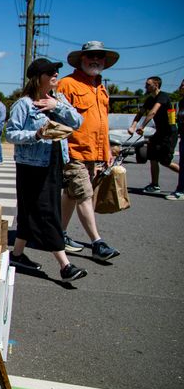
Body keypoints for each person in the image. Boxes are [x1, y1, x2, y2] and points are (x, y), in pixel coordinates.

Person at [6, 58, 87, 282]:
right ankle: (65, 265)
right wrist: (36, 135)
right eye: (50, 72)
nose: (55, 75)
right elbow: (11, 134)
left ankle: (17, 255)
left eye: (56, 71)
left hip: (54, 162)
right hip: (31, 165)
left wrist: (57, 106)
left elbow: (78, 121)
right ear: (38, 77)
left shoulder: (57, 99)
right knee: (48, 211)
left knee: (30, 210)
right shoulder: (24, 104)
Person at [56, 41, 120, 260]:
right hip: (73, 151)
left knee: (72, 195)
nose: (95, 60)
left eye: (99, 57)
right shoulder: (68, 84)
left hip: (94, 153)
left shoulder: (100, 87)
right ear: (81, 59)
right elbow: (58, 118)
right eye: (90, 56)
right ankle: (97, 242)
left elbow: (103, 122)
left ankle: (60, 234)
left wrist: (107, 151)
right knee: (84, 194)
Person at [129, 76, 180, 193]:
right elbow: (140, 113)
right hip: (159, 133)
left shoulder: (163, 96)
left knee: (165, 161)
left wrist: (142, 127)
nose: (145, 86)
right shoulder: (149, 99)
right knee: (152, 157)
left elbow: (152, 112)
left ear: (156, 85)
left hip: (169, 133)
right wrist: (133, 126)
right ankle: (154, 185)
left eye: (148, 84)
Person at [166, 79, 184, 200]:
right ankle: (181, 189)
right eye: (181, 84)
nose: (181, 87)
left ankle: (181, 190)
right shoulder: (181, 103)